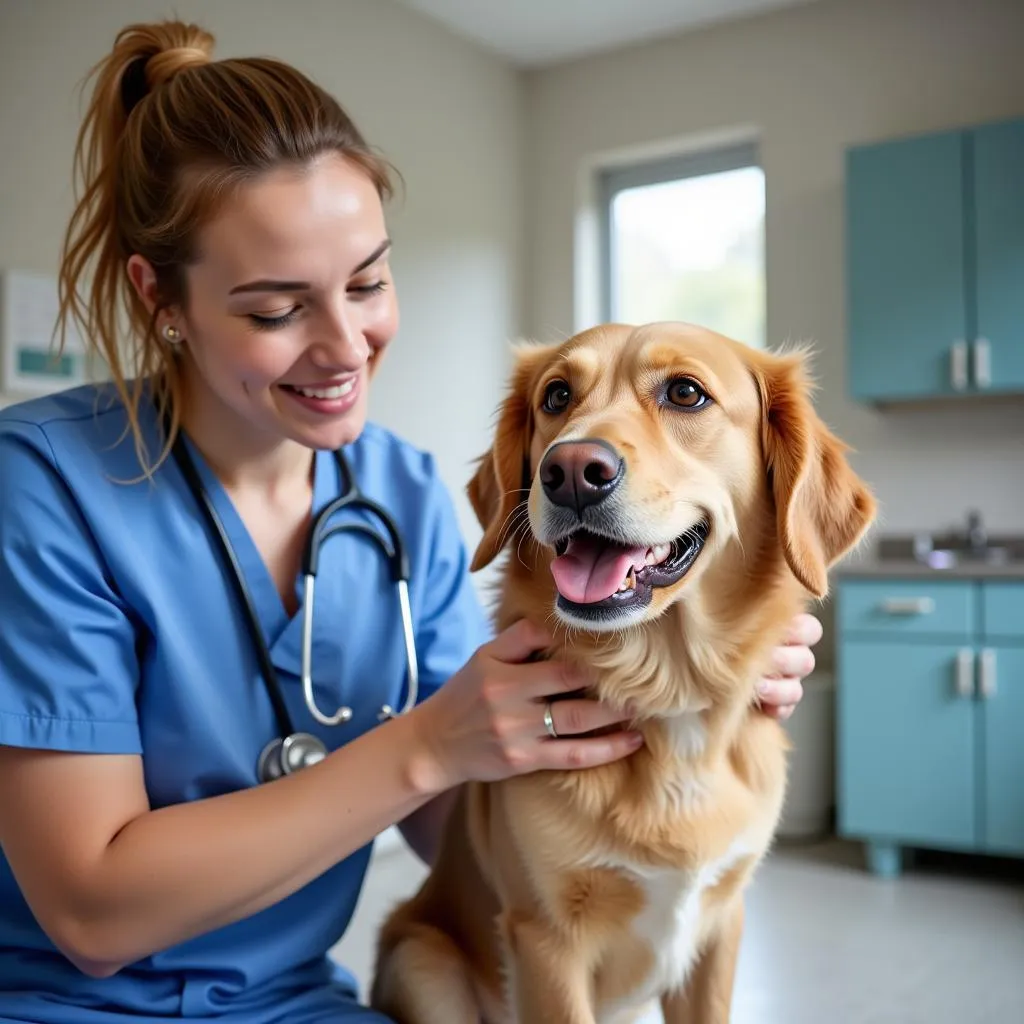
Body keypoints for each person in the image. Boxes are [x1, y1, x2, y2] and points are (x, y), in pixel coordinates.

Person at [0, 19, 821, 1024]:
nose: (345, 344)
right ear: (160, 299)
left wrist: (674, 694)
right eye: (274, 309)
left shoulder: (398, 494)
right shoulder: (43, 490)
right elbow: (90, 909)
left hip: (301, 1003)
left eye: (369, 282)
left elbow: (452, 827)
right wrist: (429, 743)